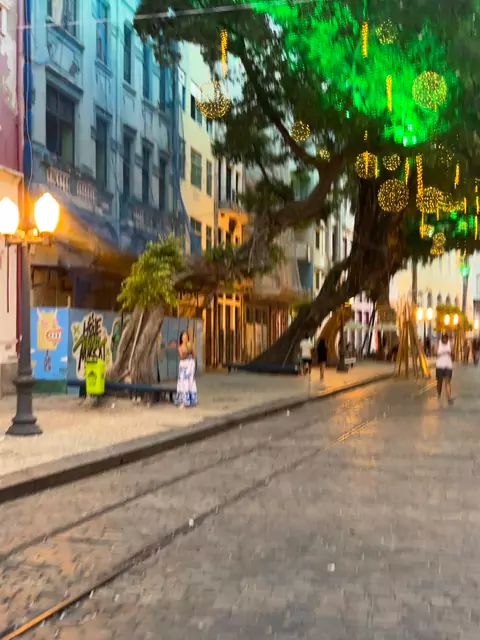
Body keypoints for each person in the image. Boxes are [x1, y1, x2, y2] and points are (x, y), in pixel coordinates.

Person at [176, 331, 197, 408]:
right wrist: (187, 351)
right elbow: (182, 357)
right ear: (181, 338)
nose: (185, 338)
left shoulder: (190, 345)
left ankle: (191, 401)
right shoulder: (180, 347)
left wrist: (192, 347)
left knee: (190, 382)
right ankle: (183, 401)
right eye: (184, 336)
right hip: (183, 366)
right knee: (183, 383)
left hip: (190, 366)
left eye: (186, 336)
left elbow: (194, 356)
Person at [436, 333, 453, 405]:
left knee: (447, 382)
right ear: (442, 339)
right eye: (444, 339)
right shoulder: (438, 343)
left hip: (448, 366)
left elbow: (453, 353)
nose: (445, 341)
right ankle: (439, 393)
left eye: (446, 339)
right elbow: (435, 353)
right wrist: (440, 353)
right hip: (439, 366)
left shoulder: (450, 344)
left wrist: (450, 353)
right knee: (439, 382)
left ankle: (449, 397)